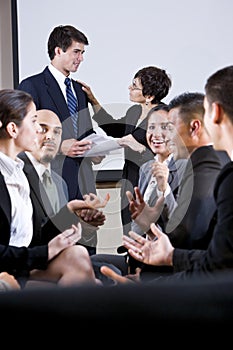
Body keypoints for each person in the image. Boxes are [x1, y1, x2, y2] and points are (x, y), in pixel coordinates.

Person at [101, 65, 233, 283]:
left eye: (170, 126)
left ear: (212, 115)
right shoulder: (214, 164)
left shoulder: (208, 163)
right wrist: (149, 225)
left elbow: (205, 255)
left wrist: (151, 286)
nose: (164, 136)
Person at [0, 88, 103, 289]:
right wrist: (46, 252)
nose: (38, 131)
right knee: (91, 281)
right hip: (7, 268)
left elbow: (33, 238)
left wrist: (69, 211)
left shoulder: (18, 172)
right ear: (13, 130)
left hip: (20, 265)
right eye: (34, 122)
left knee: (79, 255)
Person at [17, 24, 104, 254]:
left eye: (83, 53)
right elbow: (24, 133)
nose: (81, 58)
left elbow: (85, 131)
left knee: (86, 253)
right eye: (77, 52)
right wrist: (60, 147)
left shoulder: (79, 90)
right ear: (58, 51)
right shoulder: (31, 85)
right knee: (55, 252)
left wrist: (95, 149)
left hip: (83, 179)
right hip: (51, 180)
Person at [81, 66, 172, 235]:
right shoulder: (134, 110)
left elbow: (166, 154)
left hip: (150, 182)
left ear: (149, 96)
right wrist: (93, 100)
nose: (129, 88)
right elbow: (113, 129)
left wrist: (140, 150)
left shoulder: (163, 115)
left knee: (149, 233)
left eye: (135, 86)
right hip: (129, 179)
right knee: (128, 234)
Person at [18, 109, 109, 250]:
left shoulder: (60, 183)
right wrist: (69, 210)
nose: (50, 137)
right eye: (42, 129)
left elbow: (59, 235)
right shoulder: (15, 175)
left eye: (57, 132)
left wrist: (85, 226)